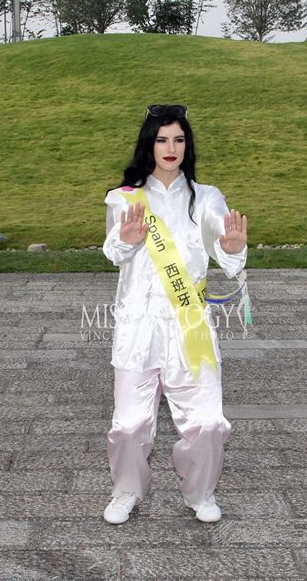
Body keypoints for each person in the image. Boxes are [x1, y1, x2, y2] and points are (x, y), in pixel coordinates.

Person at [101, 104, 247, 524]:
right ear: (149, 143)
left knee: (207, 421)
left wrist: (232, 250)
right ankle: (127, 489)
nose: (171, 148)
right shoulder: (125, 197)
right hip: (138, 322)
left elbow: (225, 248)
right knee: (129, 424)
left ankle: (200, 491)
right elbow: (114, 251)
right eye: (162, 139)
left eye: (179, 139)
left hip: (190, 322)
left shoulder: (207, 197)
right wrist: (127, 239)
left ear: (188, 146)